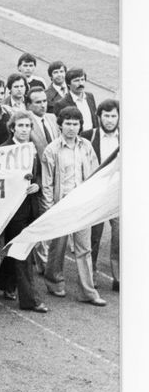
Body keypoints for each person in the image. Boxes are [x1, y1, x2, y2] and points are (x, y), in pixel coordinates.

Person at [40, 107, 105, 307]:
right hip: (61, 205)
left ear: (80, 125)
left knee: (84, 249)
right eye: (67, 123)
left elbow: (94, 176)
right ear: (60, 125)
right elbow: (47, 183)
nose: (71, 127)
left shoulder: (86, 146)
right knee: (57, 247)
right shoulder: (52, 150)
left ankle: (88, 291)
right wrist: (49, 209)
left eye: (75, 124)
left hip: (82, 204)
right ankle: (54, 280)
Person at [0, 111, 48, 312]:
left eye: (28, 126)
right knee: (23, 251)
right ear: (12, 128)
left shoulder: (33, 148)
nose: (25, 130)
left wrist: (37, 185)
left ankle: (5, 282)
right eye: (21, 126)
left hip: (30, 205)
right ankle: (30, 300)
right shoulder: (4, 150)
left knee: (17, 247)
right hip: (12, 209)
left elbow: (40, 175)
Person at [82, 99, 120, 290]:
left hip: (118, 195)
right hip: (95, 195)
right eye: (106, 115)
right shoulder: (88, 136)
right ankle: (91, 274)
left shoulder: (128, 138)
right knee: (93, 237)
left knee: (120, 236)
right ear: (99, 117)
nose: (110, 120)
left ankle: (119, 277)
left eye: (114, 116)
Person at [53, 68, 97, 132]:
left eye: (82, 79)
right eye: (76, 81)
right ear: (68, 84)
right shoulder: (61, 104)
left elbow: (95, 119)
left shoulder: (90, 97)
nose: (80, 83)